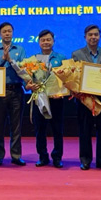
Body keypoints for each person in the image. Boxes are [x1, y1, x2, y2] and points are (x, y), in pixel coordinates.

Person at [72, 25, 101, 170]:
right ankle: (85, 160)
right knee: (85, 130)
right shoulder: (77, 54)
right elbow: (74, 76)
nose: (93, 37)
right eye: (90, 35)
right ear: (85, 37)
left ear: (100, 36)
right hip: (85, 99)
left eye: (96, 34)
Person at [30, 29, 65, 168]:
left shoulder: (61, 58)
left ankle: (57, 157)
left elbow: (66, 78)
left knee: (57, 129)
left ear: (53, 41)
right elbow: (28, 77)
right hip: (39, 97)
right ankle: (42, 156)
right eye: (43, 40)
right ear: (39, 42)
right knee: (40, 128)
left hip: (56, 98)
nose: (46, 42)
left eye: (48, 39)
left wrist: (62, 90)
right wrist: (29, 84)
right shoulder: (33, 59)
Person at [0, 22, 27, 166]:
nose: (7, 33)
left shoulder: (20, 49)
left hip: (17, 90)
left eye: (9, 31)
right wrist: (3, 60)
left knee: (16, 125)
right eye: (4, 31)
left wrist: (11, 61)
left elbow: (24, 69)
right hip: (0, 91)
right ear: (0, 34)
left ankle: (16, 155)